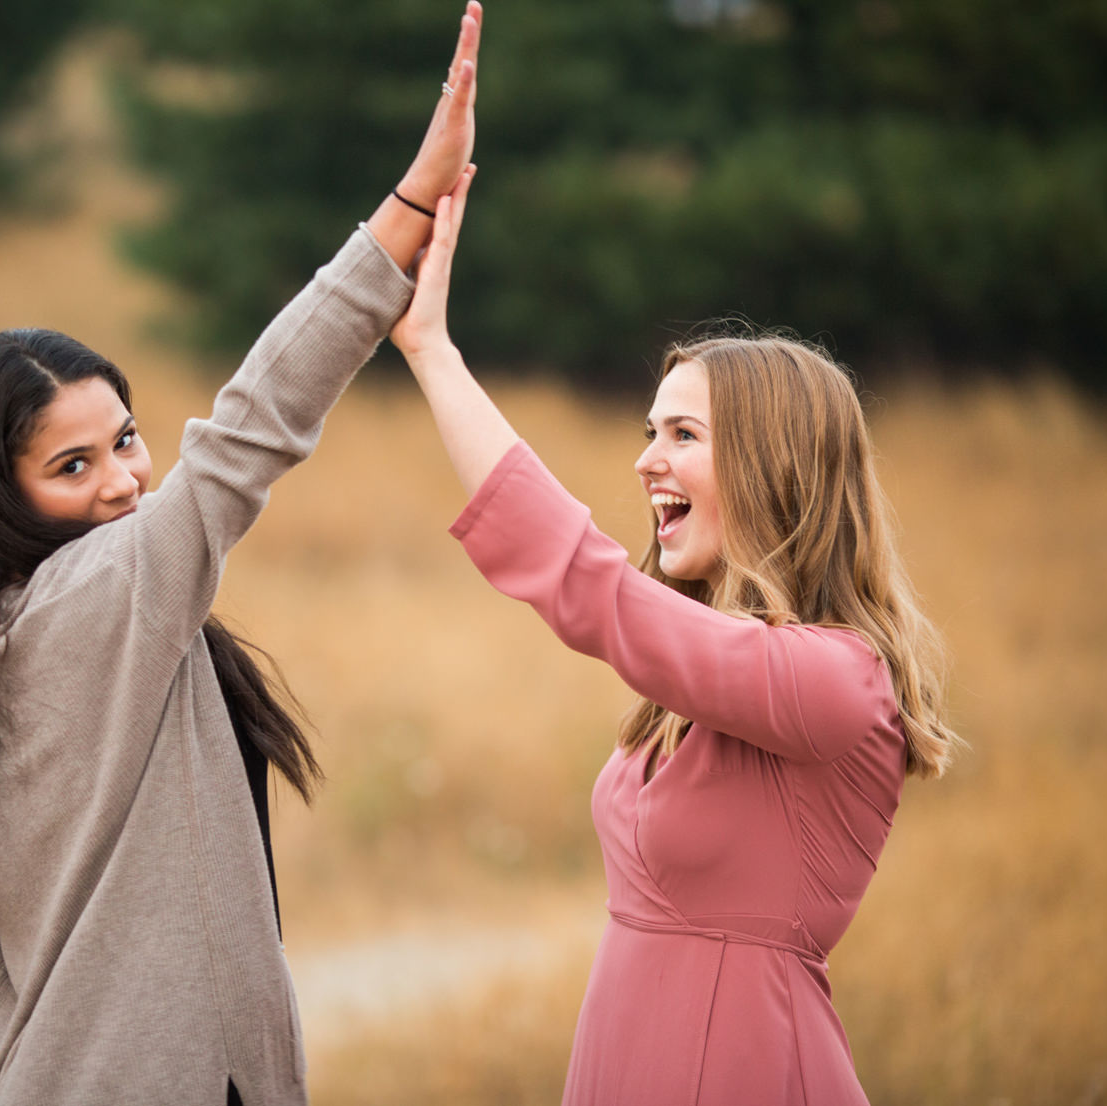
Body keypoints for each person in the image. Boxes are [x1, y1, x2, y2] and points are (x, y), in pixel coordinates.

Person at [0, 7, 483, 1104]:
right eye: (71, 465)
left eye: (125, 438)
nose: (121, 479)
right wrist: (399, 216)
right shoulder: (103, 591)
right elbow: (250, 429)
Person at [389, 166, 959, 1103]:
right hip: (625, 1059)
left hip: (743, 1069)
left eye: (683, 435)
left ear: (772, 462)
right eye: (651, 430)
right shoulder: (705, 686)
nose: (647, 459)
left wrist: (432, 353)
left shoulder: (836, 680)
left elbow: (591, 587)